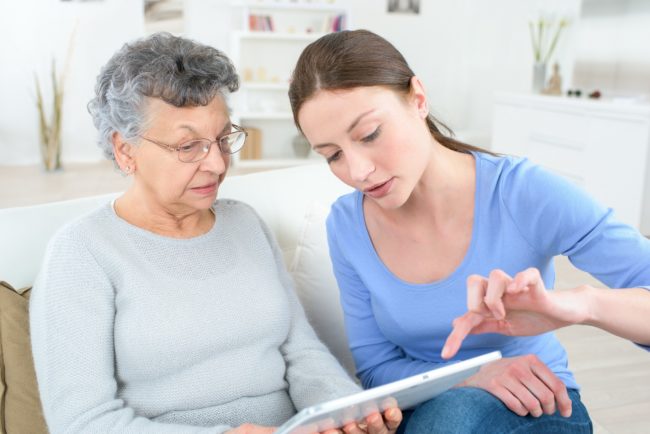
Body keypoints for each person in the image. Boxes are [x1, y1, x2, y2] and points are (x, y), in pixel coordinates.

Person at [29, 32, 401, 434]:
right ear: (125, 150)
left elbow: (301, 353)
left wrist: (345, 411)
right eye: (189, 146)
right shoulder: (83, 252)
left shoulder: (245, 223)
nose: (218, 164)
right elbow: (82, 422)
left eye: (223, 139)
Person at [289, 29, 650, 433]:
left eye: (370, 134)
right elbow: (375, 368)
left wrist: (582, 306)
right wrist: (471, 376)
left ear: (418, 99)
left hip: (534, 406)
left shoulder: (521, 192)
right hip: (427, 413)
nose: (358, 172)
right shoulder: (347, 224)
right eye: (333, 155)